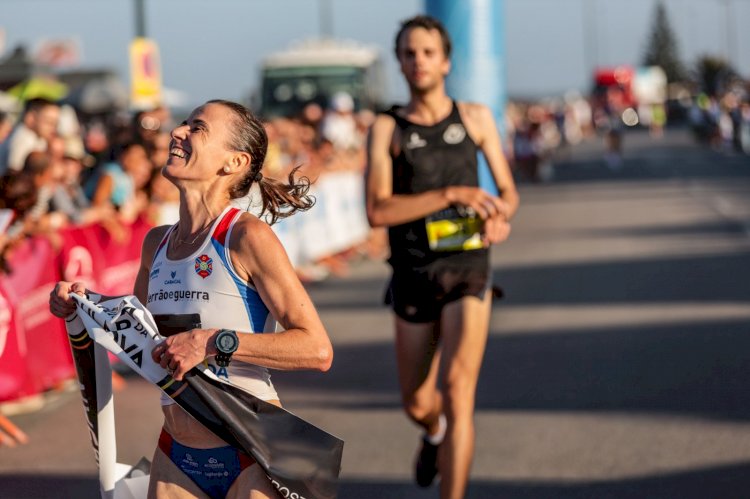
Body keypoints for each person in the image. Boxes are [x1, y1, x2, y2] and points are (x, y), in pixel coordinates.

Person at [50, 99, 333, 498]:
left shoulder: (246, 237)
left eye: (197, 128)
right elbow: (141, 337)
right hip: (177, 454)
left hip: (248, 448)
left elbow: (316, 349)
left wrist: (212, 341)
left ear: (234, 162)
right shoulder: (156, 243)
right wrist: (83, 304)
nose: (177, 132)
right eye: (183, 123)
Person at [365, 16, 519, 498]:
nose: (419, 62)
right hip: (412, 269)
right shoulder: (387, 127)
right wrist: (449, 193)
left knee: (457, 392)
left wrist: (500, 217)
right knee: (417, 401)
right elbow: (377, 210)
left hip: (468, 267)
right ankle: (432, 434)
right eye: (409, 53)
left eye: (428, 52)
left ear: (446, 61)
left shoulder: (474, 118)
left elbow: (508, 192)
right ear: (400, 63)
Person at [0, 98, 61, 175]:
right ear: (31, 118)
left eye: (56, 124)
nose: (53, 128)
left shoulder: (39, 138)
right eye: (49, 122)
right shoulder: (23, 137)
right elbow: (14, 173)